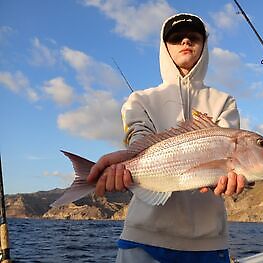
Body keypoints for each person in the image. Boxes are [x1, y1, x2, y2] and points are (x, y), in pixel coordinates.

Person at [87, 13, 246, 263]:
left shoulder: (224, 101)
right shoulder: (140, 99)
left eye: (193, 37)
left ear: (204, 46)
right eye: (176, 38)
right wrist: (128, 160)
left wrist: (234, 179)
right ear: (165, 47)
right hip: (144, 236)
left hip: (209, 240)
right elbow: (139, 136)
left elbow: (228, 158)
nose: (185, 42)